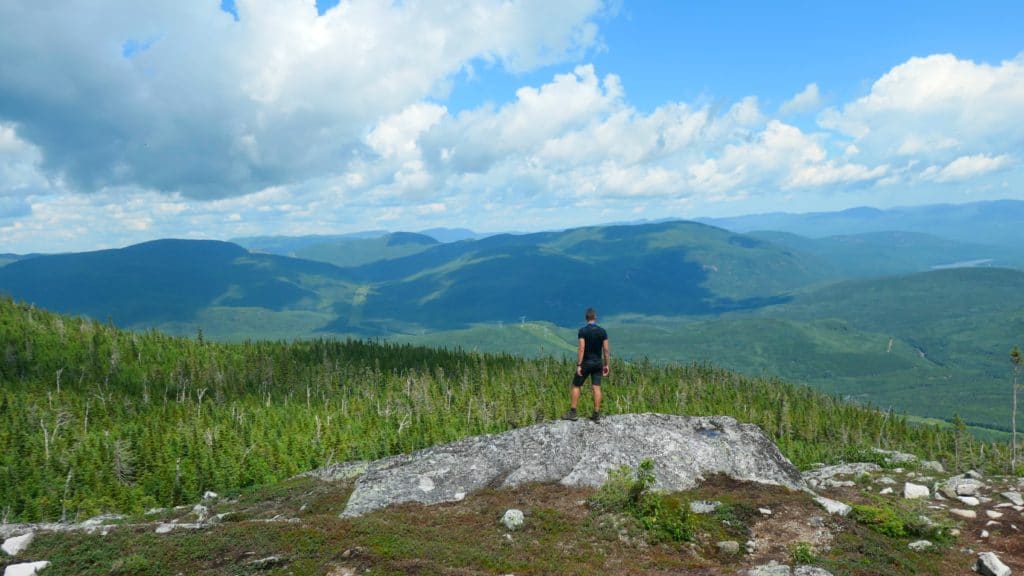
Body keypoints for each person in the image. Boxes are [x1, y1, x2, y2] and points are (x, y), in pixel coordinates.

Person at [562, 307, 610, 422]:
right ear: (595, 318)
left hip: (586, 363)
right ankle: (596, 414)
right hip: (598, 363)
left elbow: (581, 348)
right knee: (596, 388)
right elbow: (606, 350)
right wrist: (606, 365)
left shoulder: (582, 331)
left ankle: (573, 412)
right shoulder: (602, 331)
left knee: (576, 385)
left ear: (586, 318)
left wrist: (579, 364)